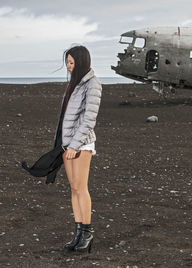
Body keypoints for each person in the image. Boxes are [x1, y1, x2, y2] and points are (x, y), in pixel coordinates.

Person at [59, 45, 102, 253]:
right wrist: (65, 144)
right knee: (74, 189)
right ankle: (78, 233)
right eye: (67, 62)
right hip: (69, 144)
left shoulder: (92, 84)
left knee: (81, 188)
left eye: (72, 62)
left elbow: (88, 120)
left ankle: (87, 233)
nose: (68, 66)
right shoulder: (75, 84)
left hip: (82, 144)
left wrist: (75, 145)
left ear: (82, 62)